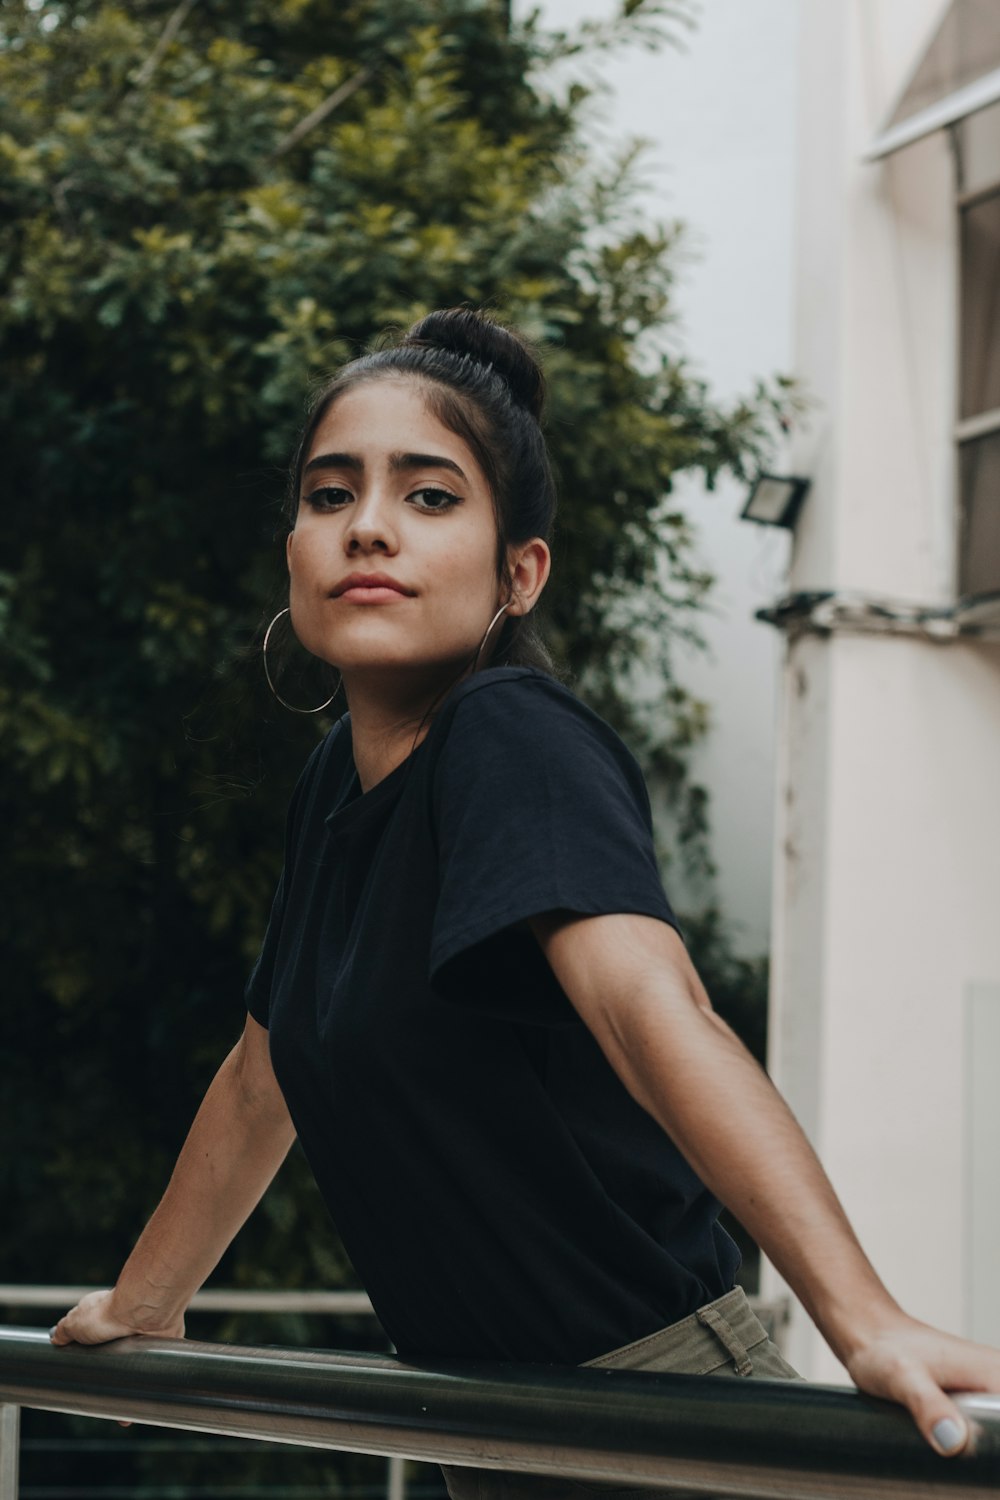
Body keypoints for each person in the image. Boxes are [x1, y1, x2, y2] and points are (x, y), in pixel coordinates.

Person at [51, 308, 1000, 1497]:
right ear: (291, 546)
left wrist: (863, 1319)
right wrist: (145, 1307)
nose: (370, 528)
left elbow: (650, 1014)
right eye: (330, 493)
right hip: (492, 1435)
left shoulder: (509, 735)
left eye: (431, 496)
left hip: (655, 1416)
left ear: (520, 572)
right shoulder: (333, 787)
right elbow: (262, 1074)